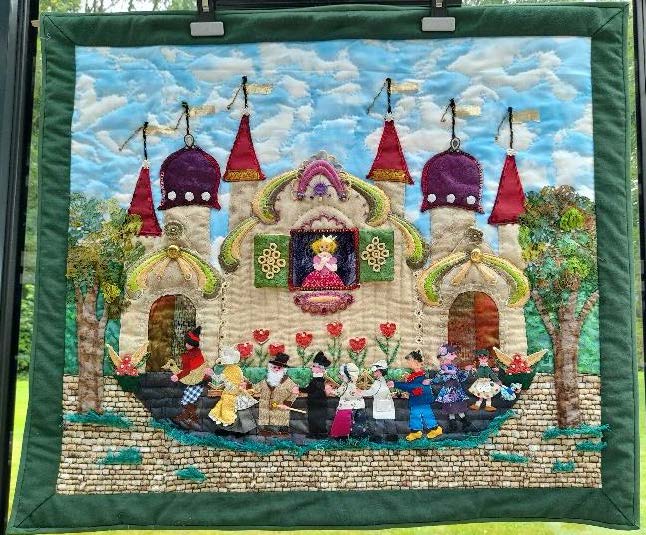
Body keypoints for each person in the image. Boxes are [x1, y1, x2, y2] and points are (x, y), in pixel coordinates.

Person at [388, 350, 442, 441]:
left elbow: (412, 386)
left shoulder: (420, 376)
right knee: (415, 415)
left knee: (426, 414)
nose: (408, 363)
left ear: (417, 363)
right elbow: (411, 387)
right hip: (417, 399)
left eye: (410, 361)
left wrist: (395, 384)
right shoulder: (414, 375)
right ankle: (416, 431)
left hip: (422, 399)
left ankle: (435, 429)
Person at [170, 326, 213, 430]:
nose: (187, 345)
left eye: (189, 344)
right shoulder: (193, 354)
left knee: (189, 398)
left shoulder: (194, 355)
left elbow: (188, 370)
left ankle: (189, 418)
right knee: (188, 398)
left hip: (198, 382)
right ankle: (187, 418)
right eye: (187, 343)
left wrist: (178, 376)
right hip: (196, 381)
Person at [208, 347, 257, 434]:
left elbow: (219, 380)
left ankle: (232, 430)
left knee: (227, 412)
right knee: (239, 412)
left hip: (232, 395)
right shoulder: (237, 369)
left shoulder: (228, 370)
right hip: (237, 393)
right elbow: (238, 380)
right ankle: (241, 430)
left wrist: (211, 374)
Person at [254, 353, 300, 436]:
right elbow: (256, 388)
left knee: (281, 418)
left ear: (283, 369)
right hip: (265, 405)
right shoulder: (266, 380)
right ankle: (266, 430)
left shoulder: (288, 381)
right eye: (274, 367)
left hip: (280, 406)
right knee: (266, 417)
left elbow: (295, 393)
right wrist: (247, 386)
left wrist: (287, 402)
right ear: (270, 367)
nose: (276, 369)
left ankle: (283, 430)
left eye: (279, 368)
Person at [433, 344, 473, 433]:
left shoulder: (454, 367)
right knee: (450, 408)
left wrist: (466, 371)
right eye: (452, 354)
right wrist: (446, 374)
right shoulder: (443, 368)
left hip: (457, 389)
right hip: (448, 390)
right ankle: (453, 425)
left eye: (454, 354)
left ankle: (465, 422)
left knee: (459, 406)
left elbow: (461, 378)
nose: (454, 356)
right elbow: (438, 379)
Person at [327, 362, 367, 439]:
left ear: (348, 376)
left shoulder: (346, 385)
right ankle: (357, 437)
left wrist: (331, 391)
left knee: (344, 423)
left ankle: (342, 437)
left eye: (342, 375)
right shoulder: (355, 384)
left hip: (346, 407)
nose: (341, 377)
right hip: (359, 406)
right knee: (357, 423)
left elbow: (339, 392)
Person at [362, 360, 397, 442]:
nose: (373, 372)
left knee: (381, 422)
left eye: (375, 371)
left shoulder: (378, 382)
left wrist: (360, 392)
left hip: (382, 404)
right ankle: (392, 438)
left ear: (380, 372)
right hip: (386, 404)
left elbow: (371, 392)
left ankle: (378, 438)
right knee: (388, 421)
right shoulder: (382, 381)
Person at [300, 351, 331, 438]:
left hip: (317, 402)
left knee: (317, 418)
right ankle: (315, 433)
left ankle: (319, 433)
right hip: (316, 402)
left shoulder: (318, 380)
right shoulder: (317, 379)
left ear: (320, 368)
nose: (311, 367)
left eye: (314, 366)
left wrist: (299, 389)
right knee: (314, 418)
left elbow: (311, 389)